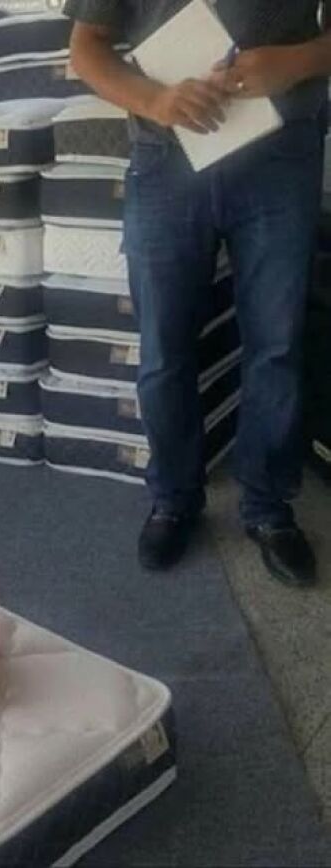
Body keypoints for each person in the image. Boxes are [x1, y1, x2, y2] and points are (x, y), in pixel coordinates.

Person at [65, 1, 331, 587]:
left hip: (282, 158)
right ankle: (175, 497)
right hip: (166, 160)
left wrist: (297, 61)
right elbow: (86, 48)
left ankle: (267, 507)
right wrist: (157, 100)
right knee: (164, 350)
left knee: (277, 347)